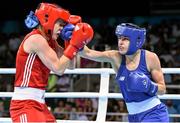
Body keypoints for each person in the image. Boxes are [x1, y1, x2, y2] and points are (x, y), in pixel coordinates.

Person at [10, 2, 94, 122]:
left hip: (39, 104)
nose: (62, 29)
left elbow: (70, 66)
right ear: (49, 20)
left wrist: (69, 42)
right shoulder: (36, 39)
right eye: (60, 24)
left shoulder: (51, 42)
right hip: (25, 105)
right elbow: (58, 68)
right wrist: (74, 45)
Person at [79, 23, 169, 122]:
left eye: (125, 39)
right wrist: (72, 40)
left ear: (136, 40)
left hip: (154, 113)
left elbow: (162, 90)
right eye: (119, 38)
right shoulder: (115, 57)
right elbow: (88, 53)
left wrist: (148, 85)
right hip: (133, 117)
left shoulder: (150, 57)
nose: (120, 43)